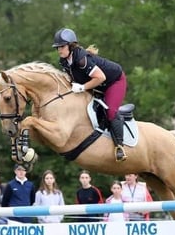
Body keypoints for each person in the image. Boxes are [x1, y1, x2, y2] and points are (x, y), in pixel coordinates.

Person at [52, 27, 128, 161]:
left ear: (70, 46)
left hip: (113, 82)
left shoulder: (81, 59)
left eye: (62, 47)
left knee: (110, 110)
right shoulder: (64, 61)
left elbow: (100, 78)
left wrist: (82, 88)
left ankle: (120, 146)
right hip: (97, 85)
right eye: (57, 47)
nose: (59, 50)